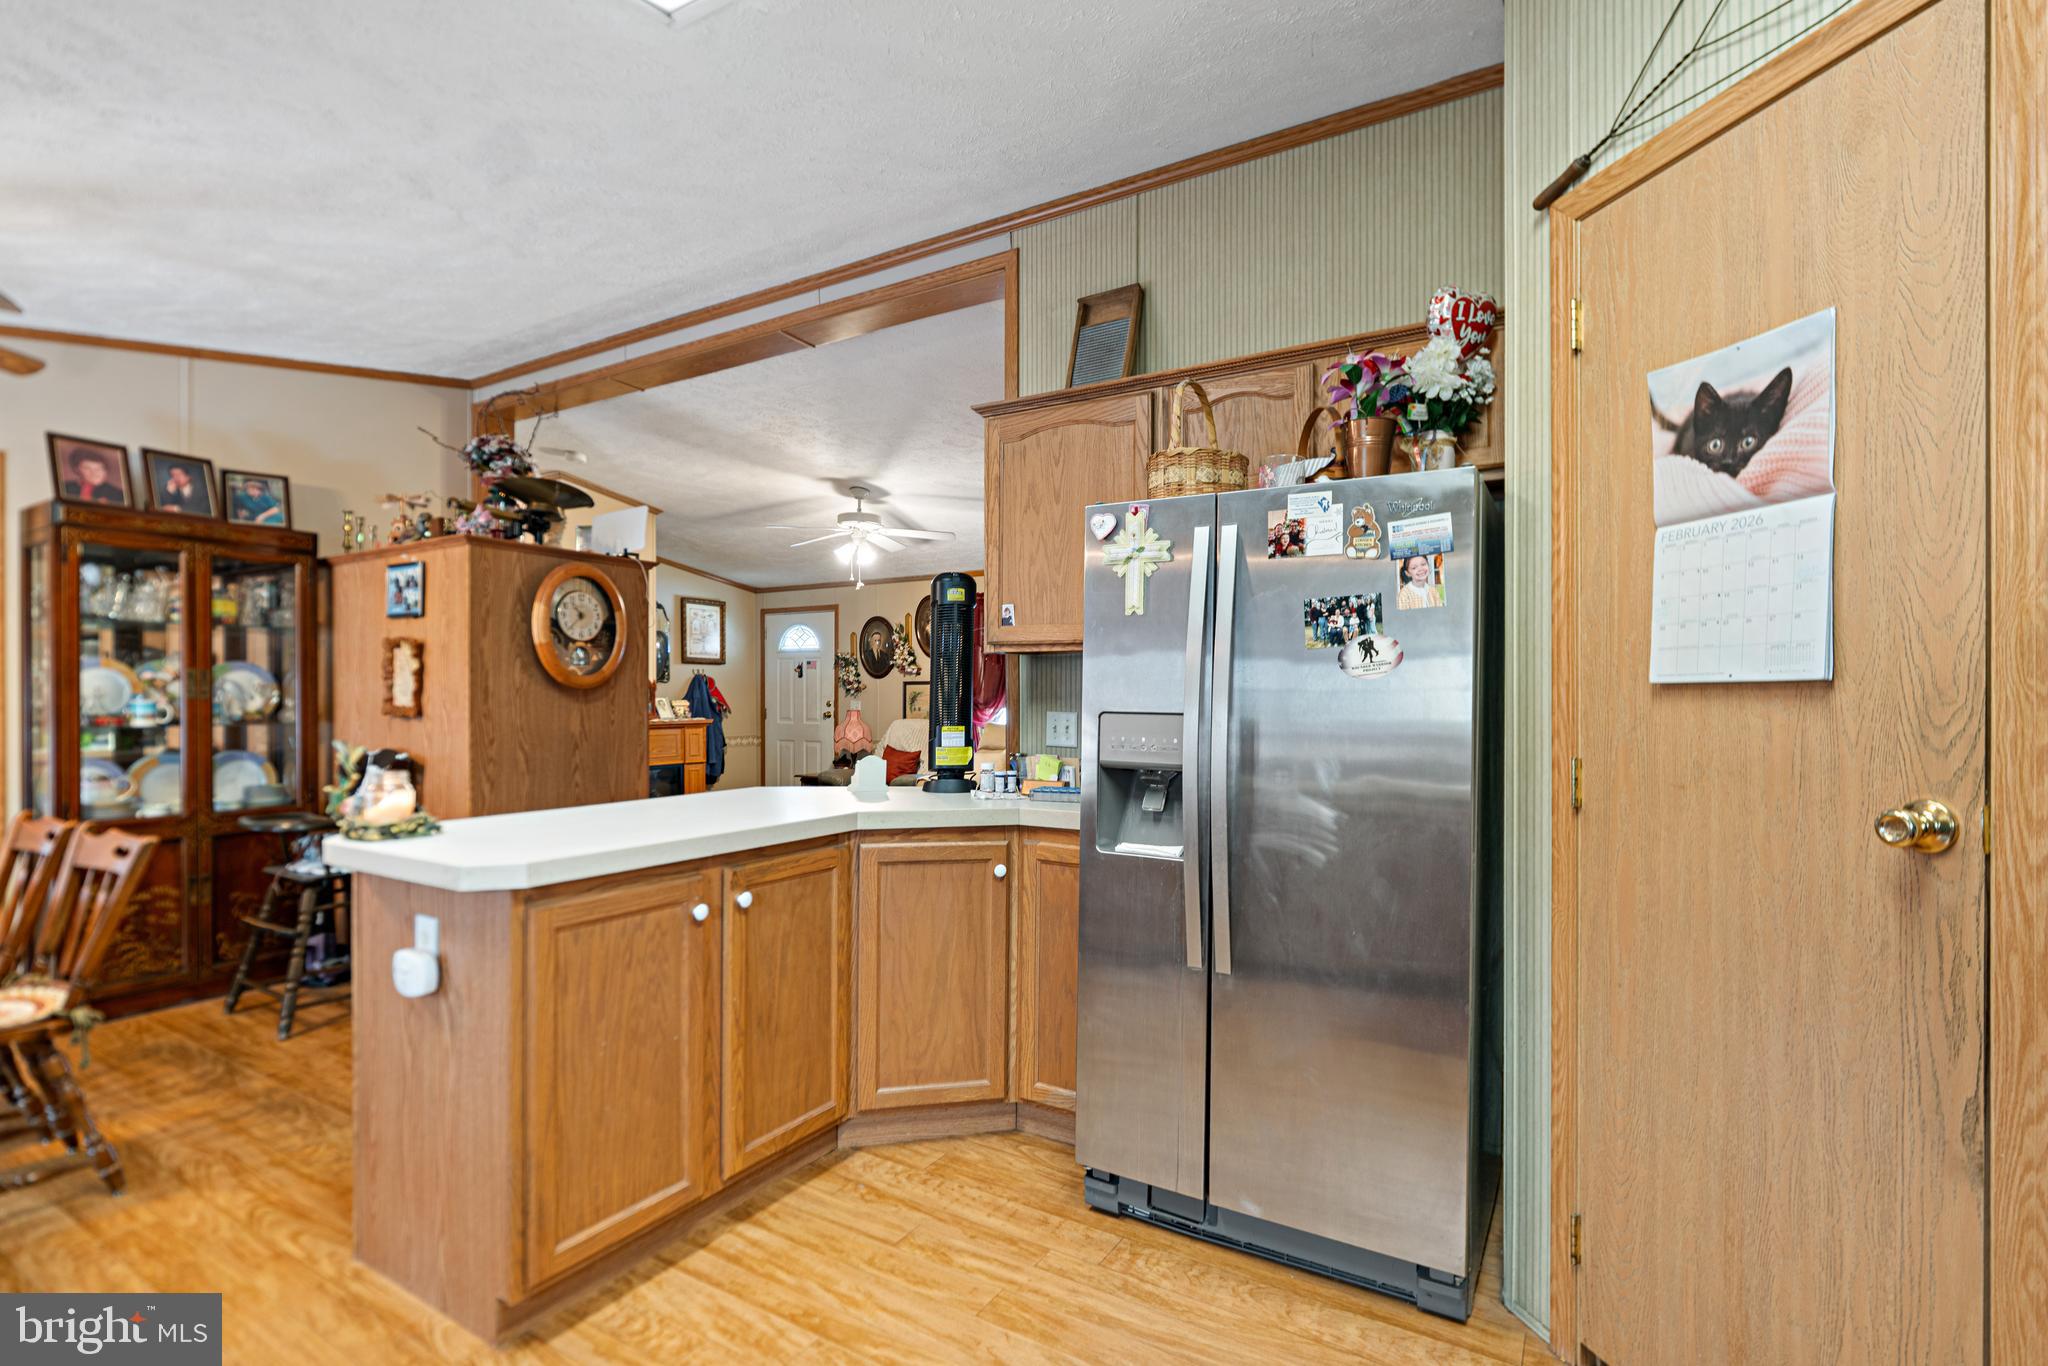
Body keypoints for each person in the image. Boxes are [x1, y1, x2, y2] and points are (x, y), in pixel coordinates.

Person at [61, 450, 125, 504]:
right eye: (87, 468)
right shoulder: (65, 487)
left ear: (105, 472)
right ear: (76, 469)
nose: (94, 473)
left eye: (98, 469)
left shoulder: (118, 495)